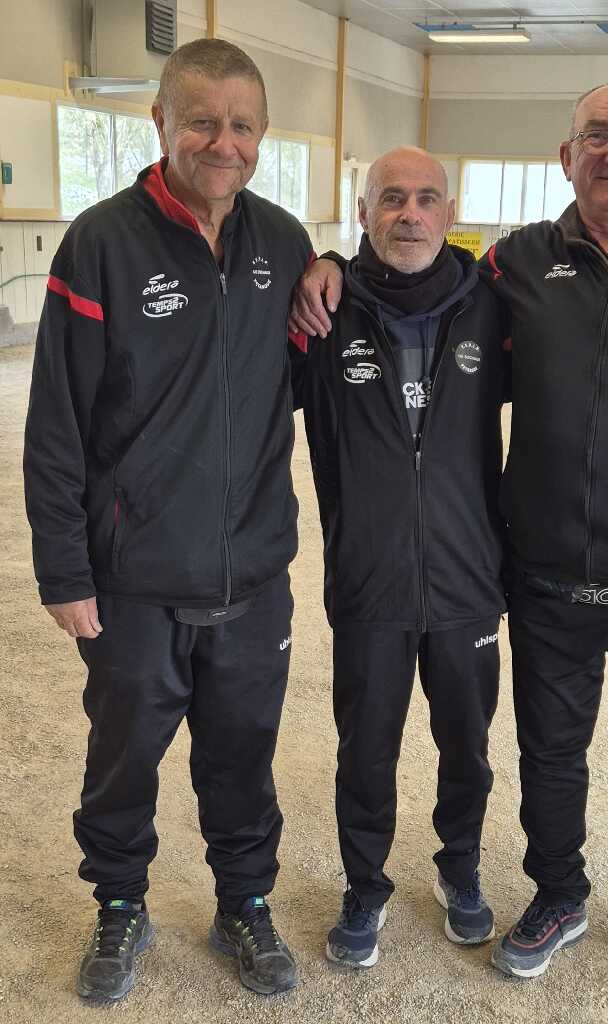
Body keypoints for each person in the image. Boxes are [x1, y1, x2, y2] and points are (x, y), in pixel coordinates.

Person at [290, 84, 608, 1002]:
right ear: (568, 156)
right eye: (598, 135)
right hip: (549, 575)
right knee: (550, 756)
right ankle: (558, 894)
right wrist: (326, 261)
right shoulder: (513, 268)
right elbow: (411, 279)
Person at [24, 39, 312, 1001]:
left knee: (244, 760)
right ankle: (119, 902)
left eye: (242, 125)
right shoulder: (101, 243)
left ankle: (245, 902)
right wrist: (65, 570)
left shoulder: (282, 243)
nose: (223, 143)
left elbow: (310, 368)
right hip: (135, 579)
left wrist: (335, 268)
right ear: (160, 123)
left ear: (263, 134)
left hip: (252, 577)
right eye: (201, 122)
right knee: (123, 761)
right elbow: (57, 423)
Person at [294, 147, 508, 968]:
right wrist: (319, 263)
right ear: (362, 214)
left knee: (468, 748)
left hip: (467, 582)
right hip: (368, 583)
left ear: (449, 214)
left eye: (425, 199)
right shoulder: (323, 313)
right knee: (366, 751)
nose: (409, 214)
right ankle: (365, 887)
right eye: (390, 198)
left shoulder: (493, 308)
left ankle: (460, 869)